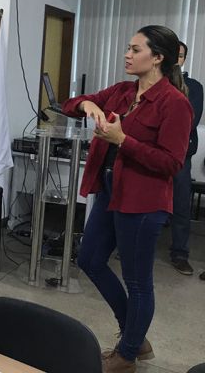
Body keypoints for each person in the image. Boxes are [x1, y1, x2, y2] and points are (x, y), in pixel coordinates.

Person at [62, 25, 192, 373]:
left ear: (158, 57)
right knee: (89, 259)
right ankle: (135, 333)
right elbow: (69, 104)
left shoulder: (175, 104)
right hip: (110, 190)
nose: (127, 55)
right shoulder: (122, 91)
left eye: (135, 50)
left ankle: (128, 354)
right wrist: (88, 102)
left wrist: (122, 140)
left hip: (144, 200)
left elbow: (171, 163)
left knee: (138, 282)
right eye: (127, 48)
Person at [169, 41, 203, 276]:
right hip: (152, 154)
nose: (176, 59)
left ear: (184, 59)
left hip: (180, 155)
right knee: (147, 204)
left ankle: (180, 254)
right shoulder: (154, 84)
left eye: (180, 56)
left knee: (181, 205)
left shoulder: (194, 87)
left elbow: (190, 120)